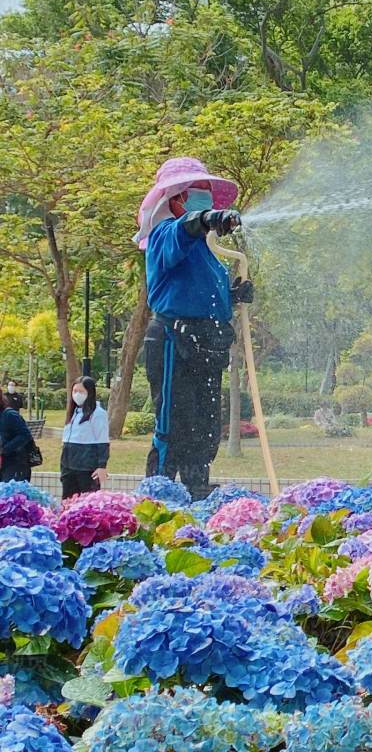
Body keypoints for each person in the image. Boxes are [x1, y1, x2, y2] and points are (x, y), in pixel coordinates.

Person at [134, 157, 248, 501]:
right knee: (173, 424)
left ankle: (197, 488)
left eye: (208, 195)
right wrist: (205, 219)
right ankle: (160, 494)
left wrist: (232, 295)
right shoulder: (165, 234)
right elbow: (185, 230)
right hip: (173, 339)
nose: (206, 199)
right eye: (199, 193)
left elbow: (203, 296)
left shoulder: (207, 252)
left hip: (207, 344)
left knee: (205, 425)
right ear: (176, 198)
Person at [60, 376, 110, 498]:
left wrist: (101, 465)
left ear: (90, 393)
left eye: (81, 392)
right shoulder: (74, 412)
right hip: (68, 464)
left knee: (87, 502)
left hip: (86, 466)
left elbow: (102, 440)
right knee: (68, 500)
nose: (77, 395)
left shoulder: (98, 413)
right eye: (75, 391)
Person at [0, 393, 38, 483]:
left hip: (15, 463)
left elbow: (25, 435)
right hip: (4, 464)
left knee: (11, 495)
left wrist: (4, 449)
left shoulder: (9, 415)